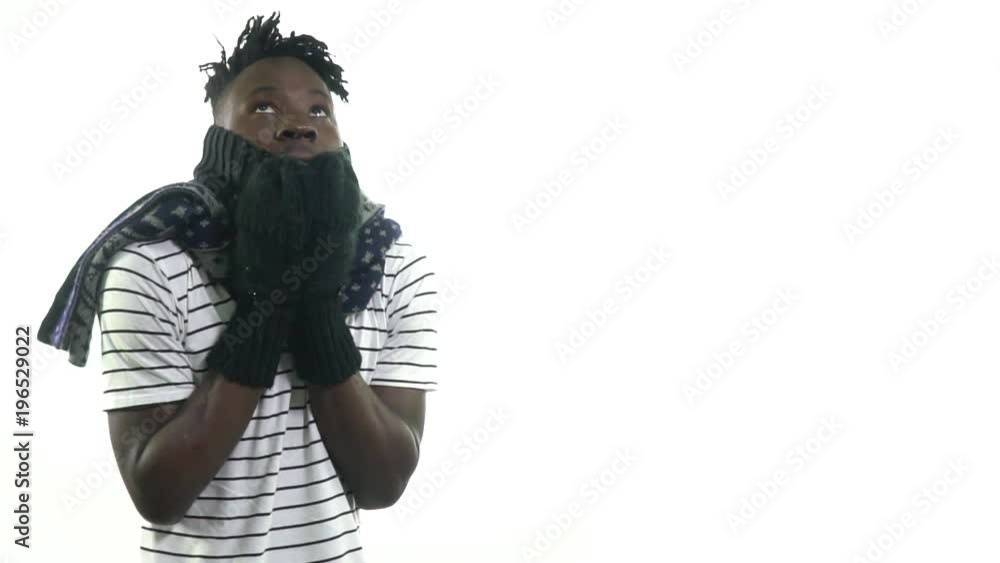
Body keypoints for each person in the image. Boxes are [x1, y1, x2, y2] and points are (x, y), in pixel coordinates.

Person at [94, 12, 438, 561]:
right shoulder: (149, 266)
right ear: (218, 137)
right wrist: (265, 303)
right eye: (264, 107)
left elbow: (383, 484)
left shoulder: (394, 265)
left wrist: (315, 304)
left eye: (319, 109)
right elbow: (158, 493)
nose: (299, 125)